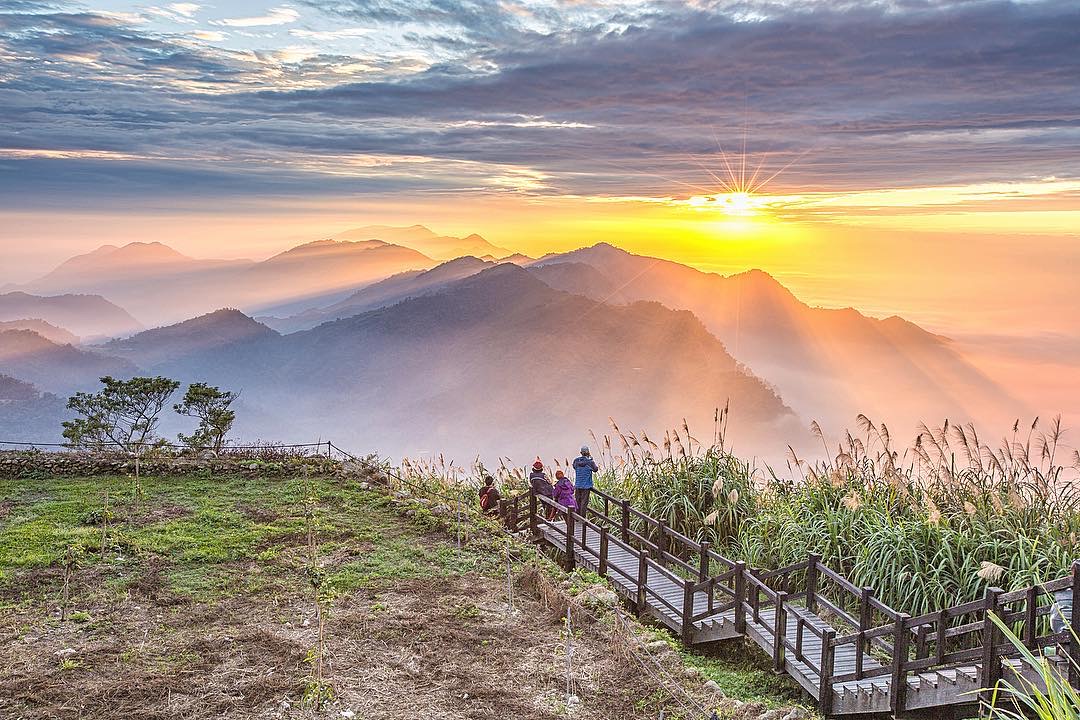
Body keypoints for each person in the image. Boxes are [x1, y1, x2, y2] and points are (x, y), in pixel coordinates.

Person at [573, 445, 599, 515]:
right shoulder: (590, 462)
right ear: (588, 452)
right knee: (584, 503)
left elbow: (574, 467)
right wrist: (591, 459)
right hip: (586, 486)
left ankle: (577, 518)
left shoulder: (576, 461)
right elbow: (595, 469)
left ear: (580, 452)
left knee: (578, 501)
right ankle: (582, 519)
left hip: (578, 485)